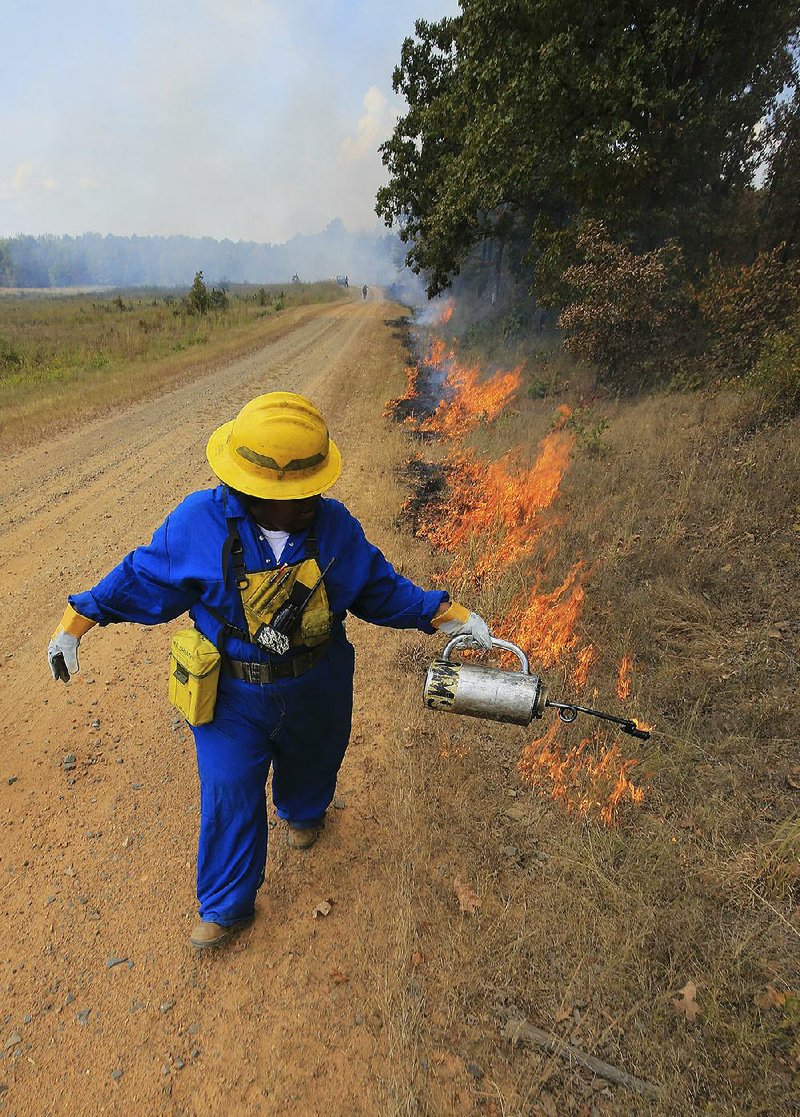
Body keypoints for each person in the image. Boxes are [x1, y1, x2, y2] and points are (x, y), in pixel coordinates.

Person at [47, 392, 492, 949]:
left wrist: (450, 615)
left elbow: (380, 588)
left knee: (314, 759)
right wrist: (74, 622)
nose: (311, 500)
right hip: (231, 694)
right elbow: (142, 576)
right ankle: (228, 906)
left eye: (313, 488)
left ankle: (303, 810)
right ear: (253, 489)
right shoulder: (198, 524)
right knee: (230, 791)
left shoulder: (333, 527)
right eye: (296, 495)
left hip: (317, 682)